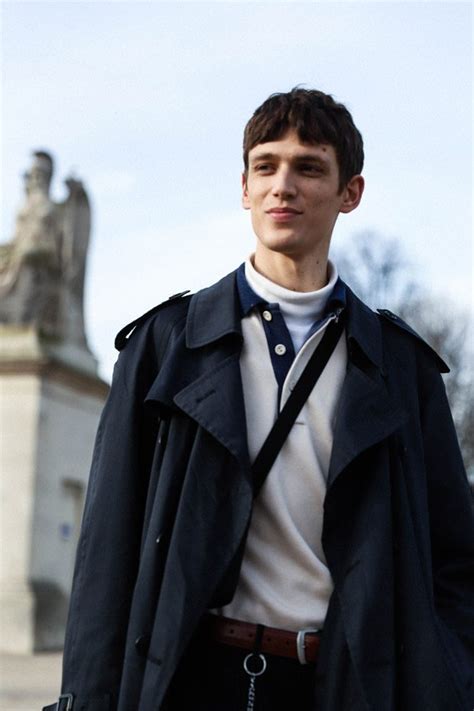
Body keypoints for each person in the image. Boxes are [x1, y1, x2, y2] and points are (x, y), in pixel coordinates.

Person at [44, 88, 474, 711]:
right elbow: (108, 549)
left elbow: (455, 563)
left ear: (349, 192)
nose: (283, 186)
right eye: (266, 166)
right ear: (243, 189)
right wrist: (87, 697)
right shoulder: (167, 346)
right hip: (190, 680)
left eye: (309, 167)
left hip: (348, 684)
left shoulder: (402, 369)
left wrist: (450, 681)